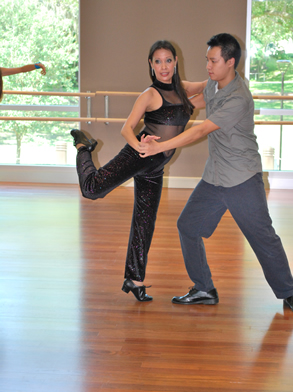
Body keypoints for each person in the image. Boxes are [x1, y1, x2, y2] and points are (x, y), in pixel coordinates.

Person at [138, 33, 293, 311]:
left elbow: (200, 130)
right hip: (214, 177)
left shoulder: (238, 97)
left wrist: (157, 147)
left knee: (262, 237)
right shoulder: (215, 84)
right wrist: (162, 79)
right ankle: (204, 288)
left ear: (230, 62)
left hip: (242, 179)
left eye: (213, 60)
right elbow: (189, 97)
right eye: (207, 60)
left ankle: (289, 291)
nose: (208, 66)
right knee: (188, 226)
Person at [70, 40, 206, 302]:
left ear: (176, 62)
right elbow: (127, 128)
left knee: (145, 221)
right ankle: (83, 148)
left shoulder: (183, 88)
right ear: (151, 65)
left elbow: (209, 86)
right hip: (138, 156)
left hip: (156, 165)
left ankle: (134, 280)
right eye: (157, 61)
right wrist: (139, 147)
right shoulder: (150, 94)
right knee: (91, 190)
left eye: (168, 60)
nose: (163, 66)